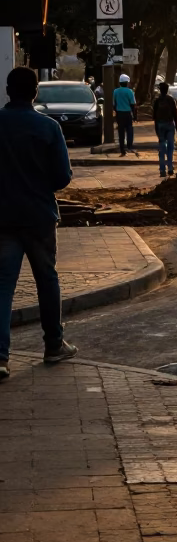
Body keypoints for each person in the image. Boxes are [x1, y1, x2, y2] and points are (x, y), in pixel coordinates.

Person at [0, 67, 77, 380]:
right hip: (39, 217)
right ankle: (53, 345)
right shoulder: (48, 128)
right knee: (47, 279)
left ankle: (1, 357)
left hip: (2, 218)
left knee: (3, 285)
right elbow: (62, 177)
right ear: (35, 92)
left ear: (7, 90)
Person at [152, 81, 177, 177]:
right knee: (170, 147)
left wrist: (156, 129)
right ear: (167, 90)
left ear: (160, 90)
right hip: (170, 125)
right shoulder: (171, 100)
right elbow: (175, 115)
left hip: (160, 125)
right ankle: (170, 168)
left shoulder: (157, 101)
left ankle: (162, 170)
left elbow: (154, 117)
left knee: (162, 148)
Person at [113, 73, 137, 156]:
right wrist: (134, 116)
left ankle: (122, 150)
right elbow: (133, 104)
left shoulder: (115, 91)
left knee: (121, 132)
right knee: (129, 130)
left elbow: (114, 104)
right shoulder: (130, 91)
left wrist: (116, 112)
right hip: (127, 114)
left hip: (119, 114)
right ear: (127, 83)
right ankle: (129, 146)